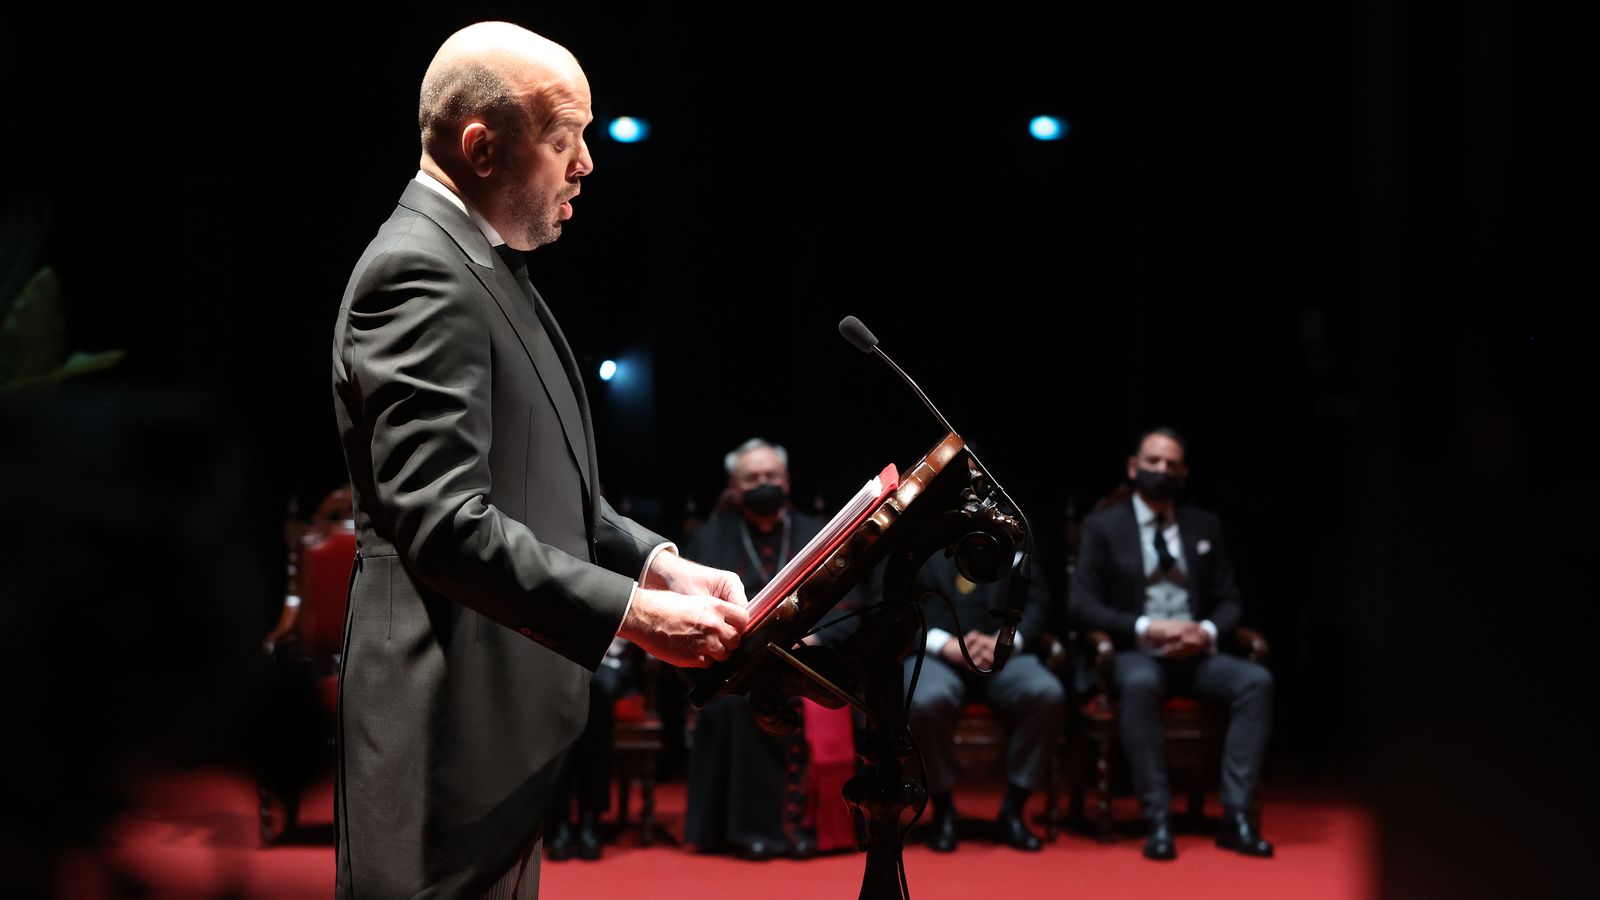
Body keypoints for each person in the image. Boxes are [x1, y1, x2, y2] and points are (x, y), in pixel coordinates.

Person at [330, 22, 750, 899]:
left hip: (496, 726)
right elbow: (446, 525)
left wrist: (659, 563)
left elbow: (545, 485)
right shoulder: (416, 271)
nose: (587, 163)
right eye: (566, 138)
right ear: (481, 146)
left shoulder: (482, 263)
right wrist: (636, 616)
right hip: (442, 730)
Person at [1068, 427, 1274, 861]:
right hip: (1137, 652)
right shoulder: (1103, 526)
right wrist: (1148, 628)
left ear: (1184, 473)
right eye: (1153, 462)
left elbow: (1230, 599)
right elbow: (1082, 605)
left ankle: (1236, 816)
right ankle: (1157, 818)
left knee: (1255, 681)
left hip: (1197, 654)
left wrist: (1206, 632)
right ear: (1133, 467)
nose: (1161, 471)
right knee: (1140, 684)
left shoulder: (1204, 524)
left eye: (1171, 465)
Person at [680, 438, 857, 860]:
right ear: (734, 487)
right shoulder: (707, 539)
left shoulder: (819, 534)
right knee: (733, 706)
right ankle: (751, 830)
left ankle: (817, 828)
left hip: (811, 659)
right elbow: (689, 608)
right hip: (736, 664)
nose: (763, 483)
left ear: (787, 482)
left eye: (771, 476)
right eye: (752, 478)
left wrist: (815, 639)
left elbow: (851, 601)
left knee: (834, 696)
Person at [902, 550, 1066, 852]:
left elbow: (1039, 605)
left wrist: (1005, 643)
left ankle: (1014, 810)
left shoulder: (1013, 534)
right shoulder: (922, 538)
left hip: (1001, 656)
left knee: (1047, 693)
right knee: (925, 700)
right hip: (939, 654)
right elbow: (899, 606)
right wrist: (946, 644)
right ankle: (943, 809)